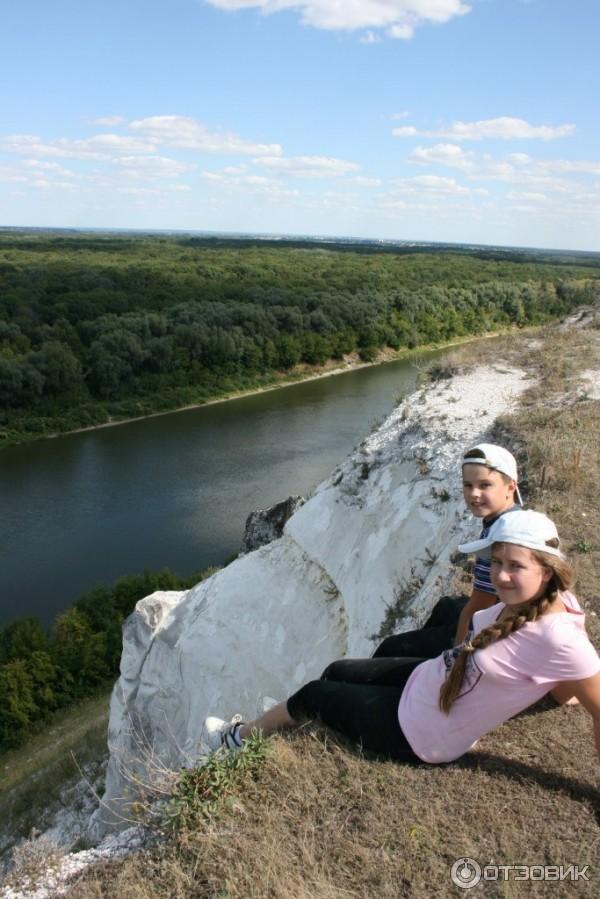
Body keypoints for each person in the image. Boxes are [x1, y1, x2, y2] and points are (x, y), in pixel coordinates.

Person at [204, 510, 600, 765]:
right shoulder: (550, 599)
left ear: (547, 571)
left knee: (312, 695)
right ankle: (272, 722)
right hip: (429, 683)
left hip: (421, 732)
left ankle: (236, 740)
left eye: (516, 566)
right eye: (496, 562)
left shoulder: (560, 638)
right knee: (336, 669)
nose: (500, 576)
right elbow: (559, 682)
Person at [373, 442, 522, 660]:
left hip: (499, 624)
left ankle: (422, 674)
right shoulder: (512, 517)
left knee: (391, 647)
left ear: (510, 487)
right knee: (447, 606)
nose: (474, 494)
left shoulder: (499, 539)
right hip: (504, 610)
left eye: (485, 485)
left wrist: (457, 655)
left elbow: (480, 603)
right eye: (468, 485)